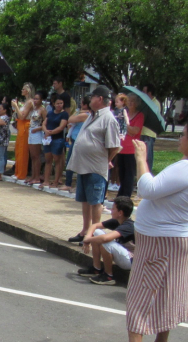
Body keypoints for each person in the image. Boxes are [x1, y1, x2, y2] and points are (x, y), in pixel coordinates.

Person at [104, 117, 188, 342]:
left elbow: (147, 188)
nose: (180, 138)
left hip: (160, 240)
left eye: (184, 135)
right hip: (180, 239)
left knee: (142, 292)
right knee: (168, 291)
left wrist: (141, 158)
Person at [65, 85, 122, 244]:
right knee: (85, 199)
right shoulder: (91, 115)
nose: (90, 100)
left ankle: (96, 233)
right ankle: (85, 231)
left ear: (100, 99)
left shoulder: (108, 118)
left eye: (93, 97)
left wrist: (106, 160)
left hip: (96, 167)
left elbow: (115, 145)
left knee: (96, 201)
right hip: (84, 166)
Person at [79, 195, 135, 285]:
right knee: (97, 232)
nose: (111, 211)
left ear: (120, 212)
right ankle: (96, 268)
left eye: (113, 209)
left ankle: (109, 276)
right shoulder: (117, 221)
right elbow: (95, 226)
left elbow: (106, 238)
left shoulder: (129, 226)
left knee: (105, 242)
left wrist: (88, 239)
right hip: (123, 255)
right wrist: (87, 239)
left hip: (131, 261)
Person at [61, 95, 91, 193]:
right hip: (74, 139)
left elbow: (70, 119)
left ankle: (73, 184)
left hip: (80, 141)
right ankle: (68, 183)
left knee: (77, 163)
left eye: (82, 102)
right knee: (70, 161)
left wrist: (78, 112)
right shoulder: (82, 113)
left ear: (85, 104)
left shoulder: (85, 114)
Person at [116, 93, 144, 198]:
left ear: (136, 104)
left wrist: (125, 124)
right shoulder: (124, 113)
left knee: (129, 174)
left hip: (132, 148)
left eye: (132, 101)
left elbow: (134, 131)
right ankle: (121, 194)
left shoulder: (139, 115)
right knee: (121, 173)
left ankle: (126, 195)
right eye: (129, 101)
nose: (130, 103)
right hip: (121, 147)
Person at [41, 96, 69, 188]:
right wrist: (46, 131)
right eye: (57, 103)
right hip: (48, 139)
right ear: (54, 104)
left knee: (57, 160)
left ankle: (56, 181)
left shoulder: (64, 114)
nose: (59, 105)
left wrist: (51, 132)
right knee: (48, 160)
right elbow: (44, 123)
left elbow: (61, 127)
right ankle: (46, 180)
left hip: (58, 139)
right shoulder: (50, 113)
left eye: (61, 103)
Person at [9, 83, 34, 183]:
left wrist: (16, 106)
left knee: (23, 150)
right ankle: (17, 172)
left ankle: (21, 174)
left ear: (27, 91)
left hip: (25, 125)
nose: (22, 91)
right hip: (20, 125)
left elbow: (23, 116)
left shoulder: (30, 102)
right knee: (18, 149)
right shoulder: (26, 102)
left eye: (23, 89)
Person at [138, 83, 161, 172]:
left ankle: (148, 174)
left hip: (149, 133)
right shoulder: (143, 102)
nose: (143, 93)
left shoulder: (155, 103)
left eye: (144, 91)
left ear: (150, 93)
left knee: (148, 157)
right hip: (141, 132)